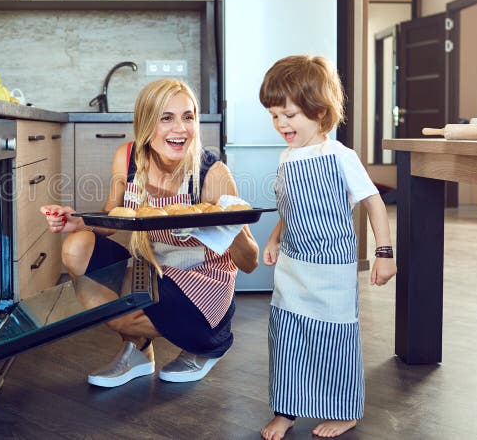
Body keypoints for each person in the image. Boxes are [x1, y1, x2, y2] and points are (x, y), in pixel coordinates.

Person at [41, 78, 259, 388]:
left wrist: (230, 221)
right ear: (146, 122)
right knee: (77, 247)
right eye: (166, 118)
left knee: (121, 314)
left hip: (201, 282)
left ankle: (208, 345)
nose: (180, 128)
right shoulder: (127, 158)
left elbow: (249, 262)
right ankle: (140, 351)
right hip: (151, 267)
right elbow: (113, 217)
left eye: (188, 116)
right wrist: (79, 222)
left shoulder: (212, 173)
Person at [257, 55, 397, 439]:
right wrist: (274, 238)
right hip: (292, 265)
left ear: (319, 112)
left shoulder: (340, 157)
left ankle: (345, 409)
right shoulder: (287, 159)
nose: (280, 124)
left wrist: (384, 253)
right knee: (286, 337)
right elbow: (290, 208)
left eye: (289, 114)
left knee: (334, 340)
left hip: (331, 269)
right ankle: (286, 410)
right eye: (274, 116)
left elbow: (373, 202)